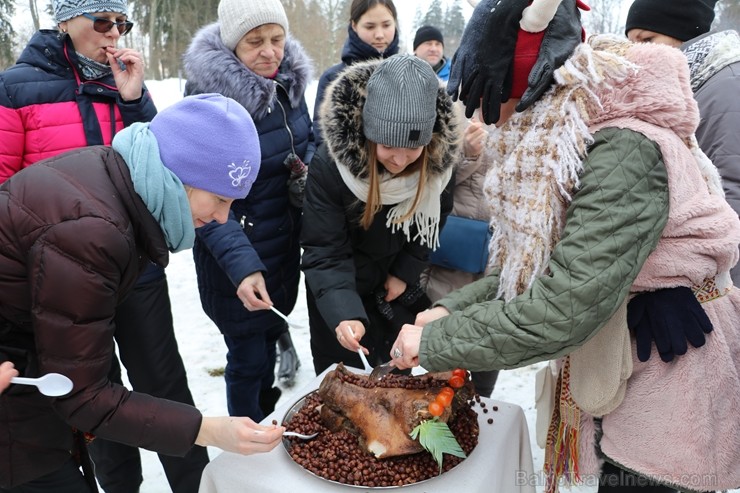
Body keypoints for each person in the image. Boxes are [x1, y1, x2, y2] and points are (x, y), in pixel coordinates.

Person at [389, 0, 740, 492]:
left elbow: (566, 305)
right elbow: (533, 267)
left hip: (672, 371)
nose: (492, 120)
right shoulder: (568, 136)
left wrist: (435, 343)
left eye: (496, 100)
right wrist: (450, 310)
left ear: (530, 84)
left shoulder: (621, 146)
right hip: (633, 360)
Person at [0, 94, 286, 492]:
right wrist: (207, 430)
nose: (222, 218)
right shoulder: (94, 231)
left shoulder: (119, 177)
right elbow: (82, 395)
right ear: (179, 174)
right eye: (219, 199)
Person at [0, 1, 211, 491]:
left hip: (133, 263)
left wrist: (135, 100)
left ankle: (197, 482)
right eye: (101, 21)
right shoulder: (16, 87)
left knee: (162, 378)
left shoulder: (121, 82)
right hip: (56, 279)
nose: (114, 33)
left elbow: (164, 162)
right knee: (92, 387)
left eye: (122, 22)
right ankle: (121, 485)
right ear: (66, 21)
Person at [182, 0, 314, 420]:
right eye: (255, 42)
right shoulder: (209, 100)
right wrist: (242, 267)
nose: (269, 51)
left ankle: (265, 416)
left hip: (281, 248)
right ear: (231, 45)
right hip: (235, 258)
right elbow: (202, 201)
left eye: (277, 39)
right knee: (247, 360)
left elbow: (305, 139)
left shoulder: (289, 86)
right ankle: (246, 436)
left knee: (269, 343)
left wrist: (304, 170)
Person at [301, 54, 459, 375]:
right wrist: (343, 312)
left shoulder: (437, 167)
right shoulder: (331, 167)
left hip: (392, 293)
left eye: (412, 148)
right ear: (369, 131)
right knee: (343, 384)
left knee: (395, 380)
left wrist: (404, 271)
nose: (400, 160)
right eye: (388, 145)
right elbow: (324, 250)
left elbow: (434, 221)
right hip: (338, 290)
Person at [625, 0, 740, 287]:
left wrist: (716, 289)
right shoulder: (686, 84)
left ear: (682, 32)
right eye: (632, 43)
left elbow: (732, 190)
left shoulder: (725, 83)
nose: (638, 52)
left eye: (648, 39)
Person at [422, 110, 500, 397]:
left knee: (490, 339)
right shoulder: (449, 110)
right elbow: (429, 182)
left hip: (499, 255)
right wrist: (466, 154)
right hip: (454, 257)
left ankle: (479, 403)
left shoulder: (531, 110)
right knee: (443, 363)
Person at [312, 0, 400, 147]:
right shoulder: (332, 78)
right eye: (370, 26)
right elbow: (322, 140)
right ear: (354, 25)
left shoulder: (409, 74)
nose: (379, 34)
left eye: (386, 25)